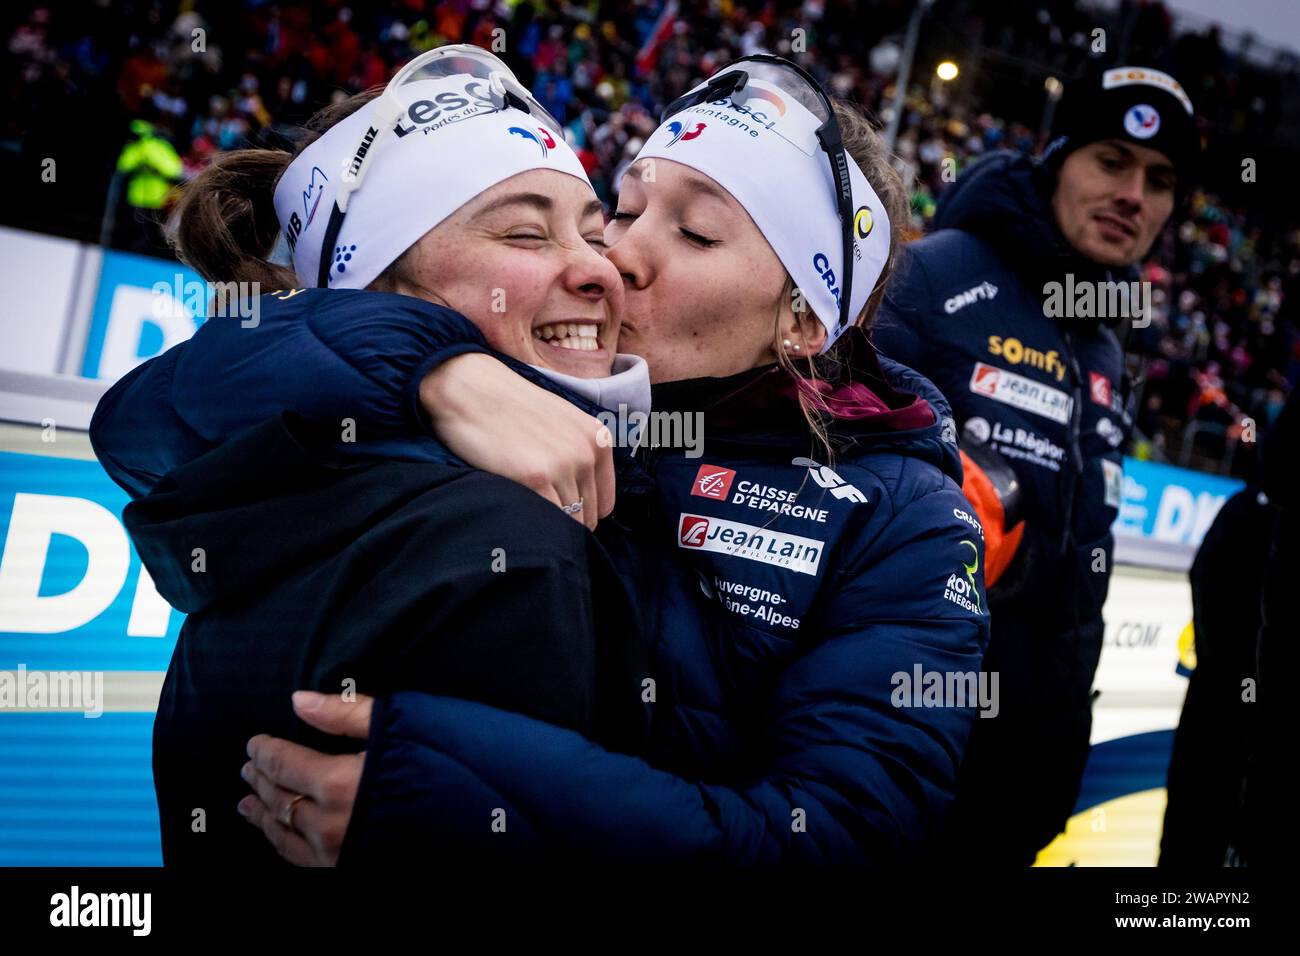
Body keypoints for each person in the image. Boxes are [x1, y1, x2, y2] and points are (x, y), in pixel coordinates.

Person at [94, 54, 989, 865]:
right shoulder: (506, 396)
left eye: (697, 235)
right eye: (628, 211)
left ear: (802, 315)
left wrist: (468, 802)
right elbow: (146, 413)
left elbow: (851, 841)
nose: (619, 255)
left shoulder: (902, 514)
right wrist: (430, 369)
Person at [93, 46, 654, 867]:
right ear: (382, 296)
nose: (599, 269)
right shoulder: (503, 541)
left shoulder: (284, 504)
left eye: (594, 232)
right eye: (527, 233)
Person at [870, 65, 1201, 865]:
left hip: (1025, 777)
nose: (1135, 196)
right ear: (1056, 158)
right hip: (902, 747)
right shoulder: (933, 275)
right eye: (1111, 161)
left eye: (1160, 181)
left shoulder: (1103, 337)